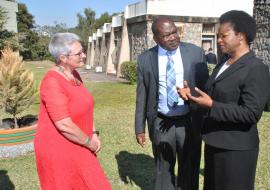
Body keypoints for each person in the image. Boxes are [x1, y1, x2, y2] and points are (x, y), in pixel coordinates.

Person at [178, 10, 270, 190]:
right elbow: (213, 95)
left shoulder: (256, 68)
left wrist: (211, 105)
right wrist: (191, 96)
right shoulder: (223, 63)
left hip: (236, 150)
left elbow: (251, 113)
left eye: (223, 36)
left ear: (241, 36)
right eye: (218, 36)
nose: (219, 40)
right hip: (214, 142)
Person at [135, 16, 208, 190]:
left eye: (174, 32)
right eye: (166, 35)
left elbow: (205, 88)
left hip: (189, 121)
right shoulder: (146, 59)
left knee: (189, 166)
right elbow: (142, 95)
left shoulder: (195, 53)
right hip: (161, 121)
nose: (173, 37)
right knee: (163, 169)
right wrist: (139, 127)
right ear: (156, 38)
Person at [34, 33, 111, 190]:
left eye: (82, 51)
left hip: (80, 141)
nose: (83, 55)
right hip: (59, 151)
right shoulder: (52, 82)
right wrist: (89, 143)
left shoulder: (73, 74)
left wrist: (94, 133)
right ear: (63, 58)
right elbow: (63, 124)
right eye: (79, 53)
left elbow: (86, 106)